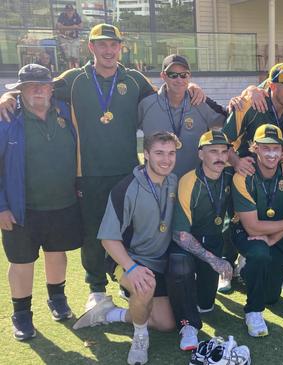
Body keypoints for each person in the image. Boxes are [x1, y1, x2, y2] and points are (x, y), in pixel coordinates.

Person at [0, 23, 206, 315]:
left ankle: (128, 282)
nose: (109, 50)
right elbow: (36, 89)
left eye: (114, 44)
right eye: (102, 44)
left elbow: (166, 92)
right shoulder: (72, 79)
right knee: (93, 233)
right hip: (88, 175)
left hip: (129, 172)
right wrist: (6, 97)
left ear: (121, 47)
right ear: (91, 47)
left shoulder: (134, 79)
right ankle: (96, 289)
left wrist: (190, 85)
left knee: (131, 231)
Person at [74, 132, 180, 365]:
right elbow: (108, 239)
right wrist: (131, 269)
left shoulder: (173, 181)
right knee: (144, 286)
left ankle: (109, 313)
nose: (166, 159)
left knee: (167, 324)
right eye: (159, 153)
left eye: (171, 153)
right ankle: (140, 337)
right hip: (126, 258)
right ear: (147, 155)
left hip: (158, 261)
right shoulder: (127, 188)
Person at [0, 64, 81, 341]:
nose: (38, 90)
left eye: (43, 85)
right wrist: (1, 207)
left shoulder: (65, 111)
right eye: (31, 86)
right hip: (22, 209)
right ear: (20, 90)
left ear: (51, 87)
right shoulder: (7, 119)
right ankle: (21, 315)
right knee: (21, 262)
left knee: (57, 253)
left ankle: (57, 298)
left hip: (62, 203)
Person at [231, 124, 283, 337]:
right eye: (265, 148)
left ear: (282, 150)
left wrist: (271, 239)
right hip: (247, 234)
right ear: (255, 148)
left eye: (276, 148)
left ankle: (248, 270)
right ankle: (253, 311)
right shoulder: (243, 176)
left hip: (278, 235)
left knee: (271, 296)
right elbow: (251, 226)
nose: (271, 154)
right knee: (259, 252)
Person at [168, 130, 235, 351]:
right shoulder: (189, 181)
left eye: (224, 152)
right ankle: (188, 325)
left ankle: (190, 293)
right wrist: (213, 260)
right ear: (200, 154)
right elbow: (180, 234)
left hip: (215, 240)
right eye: (212, 151)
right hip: (187, 243)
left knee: (206, 305)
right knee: (180, 265)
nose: (219, 157)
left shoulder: (230, 174)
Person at [224, 62, 283, 179]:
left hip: (280, 169)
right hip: (246, 170)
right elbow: (223, 142)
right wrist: (236, 162)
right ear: (273, 86)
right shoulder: (248, 104)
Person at [139, 54, 224, 177]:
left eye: (183, 75)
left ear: (189, 76)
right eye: (173, 75)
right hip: (157, 184)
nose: (179, 80)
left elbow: (231, 119)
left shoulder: (200, 102)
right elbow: (126, 128)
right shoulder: (146, 104)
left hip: (193, 183)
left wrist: (250, 91)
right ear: (163, 76)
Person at [56, 4, 82, 69]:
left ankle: (77, 70)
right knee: (68, 57)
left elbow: (81, 26)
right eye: (68, 11)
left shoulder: (76, 15)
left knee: (75, 56)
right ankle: (69, 70)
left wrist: (72, 27)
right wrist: (72, 27)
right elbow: (59, 26)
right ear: (65, 11)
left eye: (71, 10)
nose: (70, 12)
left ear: (73, 11)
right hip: (65, 39)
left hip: (75, 39)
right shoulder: (62, 16)